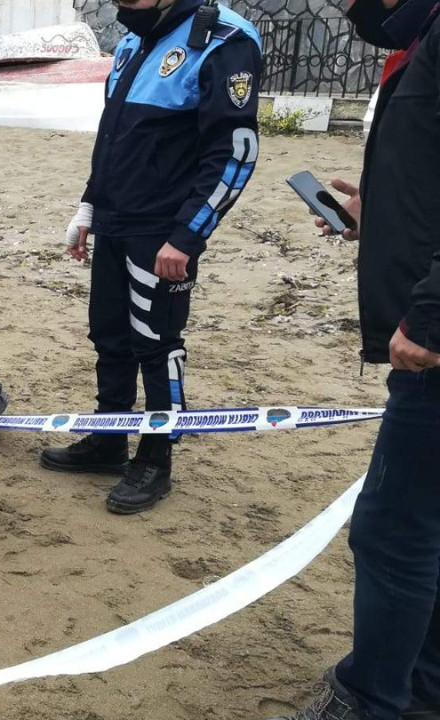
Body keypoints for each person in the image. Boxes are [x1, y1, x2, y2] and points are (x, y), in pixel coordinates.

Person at [266, 5, 440, 720]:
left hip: (429, 341)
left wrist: (430, 316)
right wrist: (382, 211)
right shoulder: (423, 37)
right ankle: (423, 684)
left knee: (393, 527)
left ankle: (370, 699)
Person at [39, 0, 263, 514]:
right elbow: (114, 137)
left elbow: (235, 152)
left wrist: (187, 236)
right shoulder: (133, 40)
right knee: (110, 336)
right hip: (116, 221)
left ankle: (157, 458)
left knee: (158, 344)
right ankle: (108, 439)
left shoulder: (225, 41)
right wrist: (89, 206)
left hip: (162, 233)